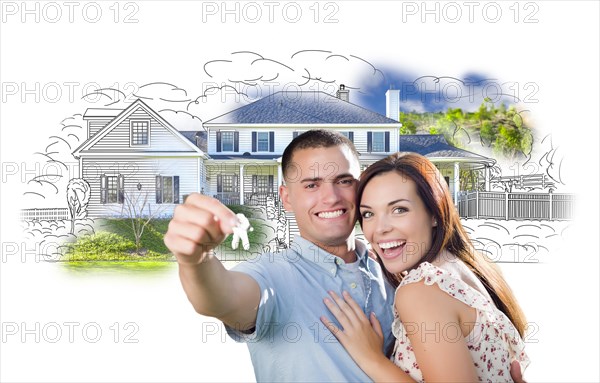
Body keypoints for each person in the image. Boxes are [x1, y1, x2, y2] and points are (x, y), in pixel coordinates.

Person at [164, 130, 396, 382]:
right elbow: (222, 299)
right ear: (287, 198)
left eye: (344, 181)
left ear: (360, 187)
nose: (331, 197)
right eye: (311, 185)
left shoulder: (388, 267)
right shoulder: (272, 273)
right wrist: (196, 260)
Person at [320, 152, 530, 382]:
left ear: (435, 214)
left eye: (399, 209)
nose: (379, 229)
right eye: (368, 214)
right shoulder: (470, 269)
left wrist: (372, 359)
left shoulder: (422, 290)